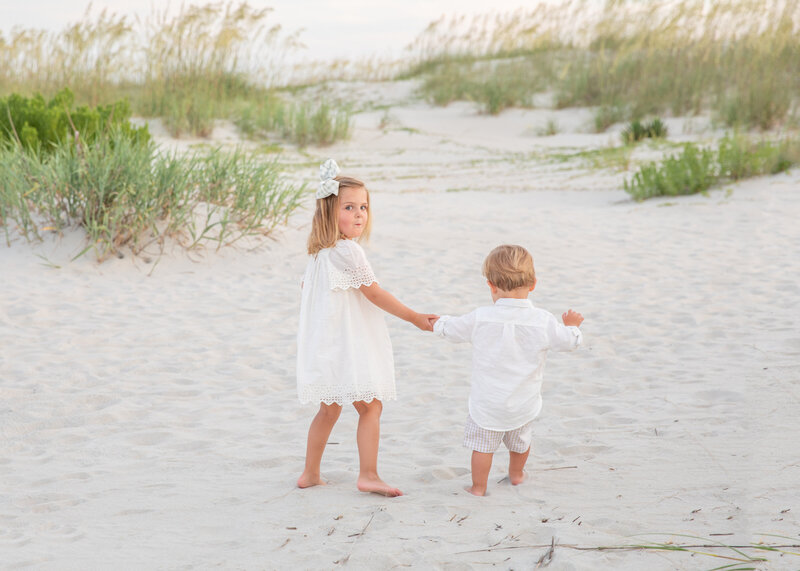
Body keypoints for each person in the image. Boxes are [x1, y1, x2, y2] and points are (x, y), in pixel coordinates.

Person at [296, 159, 436, 497]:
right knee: (371, 406)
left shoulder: (319, 253)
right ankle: (368, 474)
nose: (360, 214)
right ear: (328, 212)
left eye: (364, 207)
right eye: (349, 207)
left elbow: (308, 294)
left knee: (329, 409)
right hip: (348, 344)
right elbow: (373, 292)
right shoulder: (348, 251)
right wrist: (414, 317)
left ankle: (310, 474)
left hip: (325, 344)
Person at [431, 244, 584, 496]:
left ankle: (478, 487)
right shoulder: (543, 321)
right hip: (523, 402)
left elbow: (451, 330)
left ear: (491, 285)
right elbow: (569, 342)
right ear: (533, 284)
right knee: (521, 443)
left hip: (487, 404)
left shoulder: (480, 317)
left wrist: (438, 322)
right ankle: (516, 475)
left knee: (482, 447)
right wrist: (572, 326)